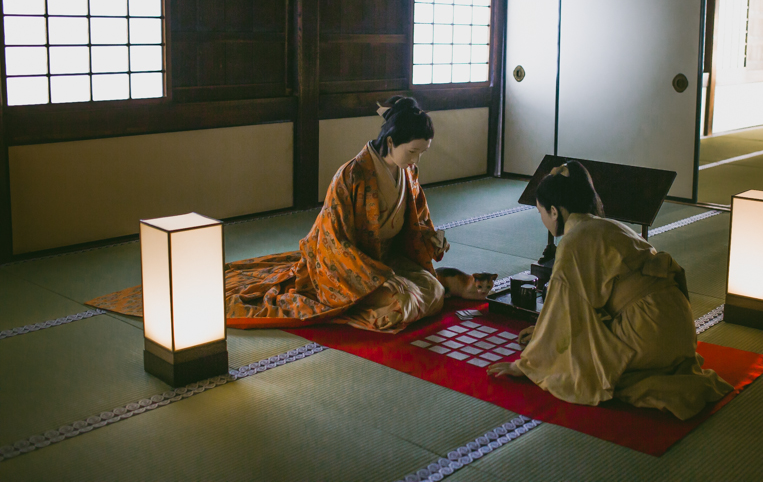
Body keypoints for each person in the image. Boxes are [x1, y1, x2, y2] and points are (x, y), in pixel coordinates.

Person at [487, 161, 733, 420]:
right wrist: (541, 331)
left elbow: (564, 310)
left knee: (581, 364)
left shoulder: (573, 241)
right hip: (679, 328)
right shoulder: (610, 226)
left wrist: (525, 365)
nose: (542, 220)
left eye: (541, 213)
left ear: (554, 212)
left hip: (650, 333)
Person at [221, 95, 448, 331]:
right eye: (412, 151)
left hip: (386, 260)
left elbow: (417, 221)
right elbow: (333, 240)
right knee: (403, 298)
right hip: (345, 265)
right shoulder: (352, 175)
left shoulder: (408, 173)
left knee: (435, 290)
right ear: (390, 142)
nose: (416, 160)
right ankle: (389, 306)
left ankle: (391, 308)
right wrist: (376, 276)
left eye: (422, 153)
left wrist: (431, 238)